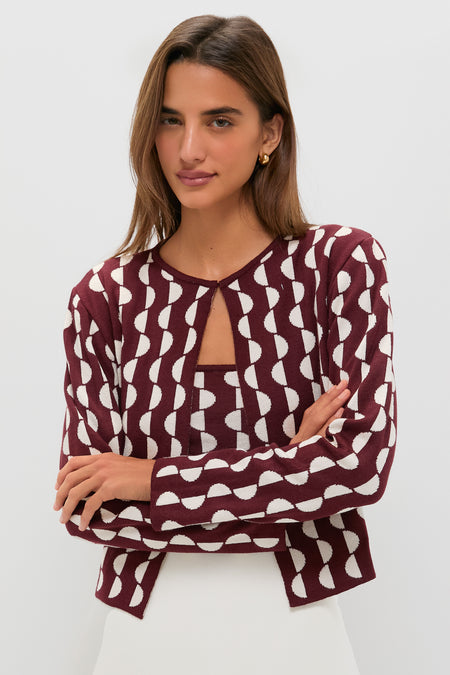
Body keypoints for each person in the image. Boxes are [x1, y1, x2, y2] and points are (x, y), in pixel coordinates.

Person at [54, 14, 396, 675]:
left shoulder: (339, 266)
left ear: (270, 132)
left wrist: (151, 479)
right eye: (170, 120)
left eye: (219, 120)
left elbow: (358, 467)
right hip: (143, 637)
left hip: (299, 633)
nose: (188, 149)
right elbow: (87, 510)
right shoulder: (105, 297)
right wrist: (291, 463)